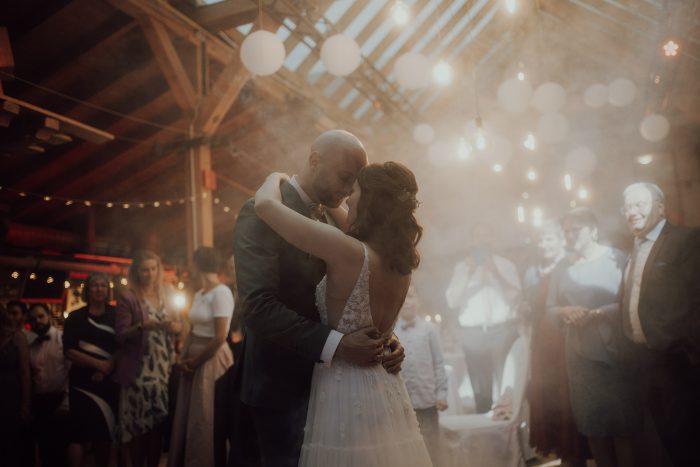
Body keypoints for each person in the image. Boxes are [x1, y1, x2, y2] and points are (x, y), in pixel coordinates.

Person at [231, 130, 407, 467]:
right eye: (345, 177)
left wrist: (382, 337)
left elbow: (353, 292)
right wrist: (338, 345)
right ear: (314, 160)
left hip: (336, 389)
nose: (349, 190)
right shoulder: (262, 212)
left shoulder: (338, 219)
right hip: (281, 388)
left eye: (355, 182)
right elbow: (257, 306)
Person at [546, 208, 640, 467]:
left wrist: (599, 313)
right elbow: (550, 308)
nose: (570, 235)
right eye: (566, 231)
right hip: (578, 353)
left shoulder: (616, 259)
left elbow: (632, 302)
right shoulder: (562, 267)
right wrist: (566, 311)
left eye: (576, 229)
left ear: (594, 231)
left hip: (615, 350)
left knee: (622, 423)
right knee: (593, 422)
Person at [620, 183, 700, 466]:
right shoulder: (633, 248)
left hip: (678, 362)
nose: (632, 212)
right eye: (627, 207)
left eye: (639, 205)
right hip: (643, 361)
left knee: (688, 441)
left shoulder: (685, 240)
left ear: (661, 207)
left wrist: (688, 351)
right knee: (666, 440)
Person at [524, 220, 590, 466]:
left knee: (567, 393)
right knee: (546, 393)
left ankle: (576, 453)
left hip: (565, 337)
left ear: (562, 239)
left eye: (549, 239)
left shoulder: (571, 264)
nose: (544, 245)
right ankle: (562, 452)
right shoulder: (533, 271)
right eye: (540, 240)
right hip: (542, 340)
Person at [113, 250, 182, 467]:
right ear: (136, 272)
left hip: (162, 369)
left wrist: (173, 327)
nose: (150, 274)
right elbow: (121, 335)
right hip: (139, 371)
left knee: (158, 425)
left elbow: (180, 325)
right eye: (145, 269)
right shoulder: (129, 297)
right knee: (139, 428)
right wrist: (142, 326)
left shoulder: (167, 293)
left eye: (153, 269)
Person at [445, 223, 522, 414]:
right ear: (472, 241)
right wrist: (469, 273)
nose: (482, 240)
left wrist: (496, 272)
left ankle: (509, 436)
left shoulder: (505, 265)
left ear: (492, 240)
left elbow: (516, 297)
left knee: (506, 387)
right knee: (481, 391)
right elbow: (452, 302)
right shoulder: (462, 267)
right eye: (478, 236)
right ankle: (485, 436)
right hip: (473, 335)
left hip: (502, 332)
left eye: (486, 236)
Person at [169, 246, 234, 467]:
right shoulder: (199, 293)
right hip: (192, 355)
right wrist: (182, 355)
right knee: (190, 415)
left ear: (198, 265)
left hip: (210, 359)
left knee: (206, 417)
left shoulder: (222, 292)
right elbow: (192, 328)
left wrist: (195, 362)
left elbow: (219, 337)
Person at [62, 272, 119, 467]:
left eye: (103, 285)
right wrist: (98, 365)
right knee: (78, 434)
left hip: (109, 382)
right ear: (87, 290)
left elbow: (124, 346)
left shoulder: (116, 315)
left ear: (108, 290)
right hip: (82, 383)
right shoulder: (75, 317)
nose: (99, 289)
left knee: (105, 433)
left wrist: (107, 368)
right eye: (95, 285)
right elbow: (69, 351)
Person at [394, 285, 449, 466]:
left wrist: (441, 394)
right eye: (403, 297)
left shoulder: (429, 329)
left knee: (431, 445)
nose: (407, 301)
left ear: (418, 301)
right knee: (408, 446)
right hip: (404, 402)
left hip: (427, 400)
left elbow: (439, 363)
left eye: (410, 296)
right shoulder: (392, 331)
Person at [28, 303, 71, 467]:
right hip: (40, 403)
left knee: (62, 453)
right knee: (45, 453)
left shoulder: (63, 339)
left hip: (60, 401)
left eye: (40, 316)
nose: (37, 321)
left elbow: (71, 371)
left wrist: (66, 402)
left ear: (49, 317)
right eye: (33, 319)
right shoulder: (31, 347)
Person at [0, 303, 31, 467]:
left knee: (10, 441)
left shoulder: (17, 337)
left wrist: (25, 404)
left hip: (11, 393)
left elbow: (25, 372)